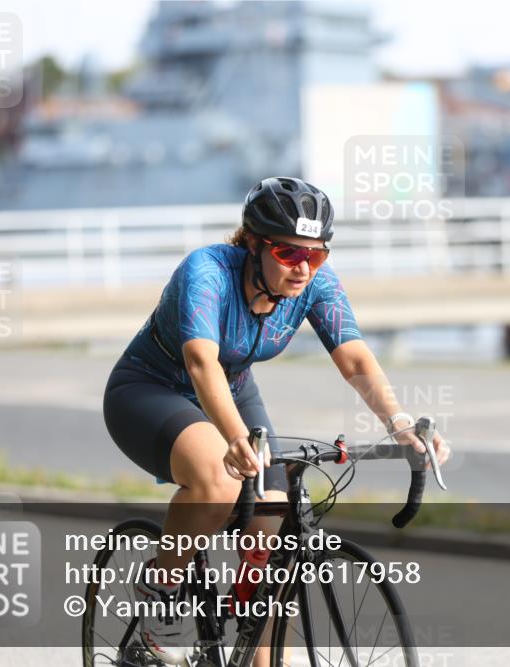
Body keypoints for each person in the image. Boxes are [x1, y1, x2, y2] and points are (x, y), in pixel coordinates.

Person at [103, 176, 450, 665]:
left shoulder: (314, 283)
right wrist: (237, 439)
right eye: (289, 254)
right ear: (252, 243)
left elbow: (354, 358)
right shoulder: (207, 271)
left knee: (273, 525)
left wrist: (399, 423)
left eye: (317, 255)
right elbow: (202, 363)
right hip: (151, 389)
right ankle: (160, 599)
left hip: (234, 388)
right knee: (218, 483)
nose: (304, 268)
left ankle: (256, 647)